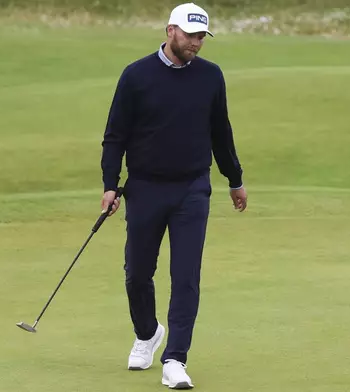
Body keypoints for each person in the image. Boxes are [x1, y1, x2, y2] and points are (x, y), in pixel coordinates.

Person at [99, 2, 247, 389]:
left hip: (192, 189)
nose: (196, 43)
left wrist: (234, 179)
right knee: (137, 274)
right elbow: (115, 136)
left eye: (201, 36)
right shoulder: (136, 76)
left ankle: (175, 359)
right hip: (145, 188)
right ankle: (147, 333)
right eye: (190, 35)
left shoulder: (211, 77)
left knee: (185, 277)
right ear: (170, 31)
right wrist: (111, 184)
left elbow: (221, 132)